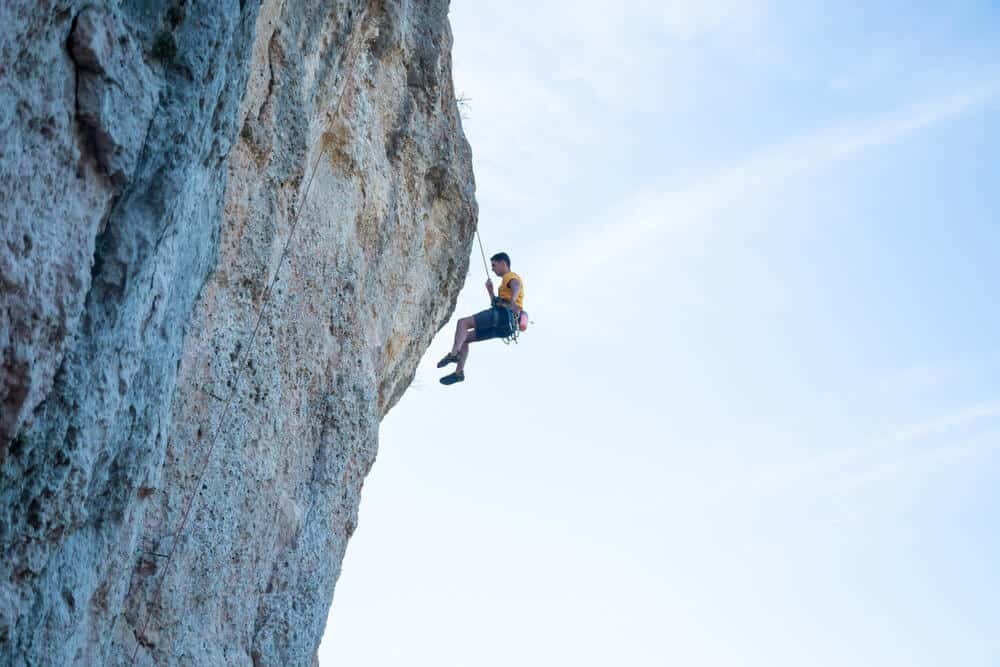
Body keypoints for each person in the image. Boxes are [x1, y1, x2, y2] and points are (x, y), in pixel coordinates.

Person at [438, 252, 524, 385]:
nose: (493, 269)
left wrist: (513, 300)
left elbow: (516, 285)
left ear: (503, 263)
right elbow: (496, 302)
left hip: (502, 316)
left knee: (462, 323)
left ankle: (454, 354)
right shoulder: (504, 286)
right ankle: (458, 373)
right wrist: (490, 292)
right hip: (505, 328)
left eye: (494, 265)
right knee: (464, 338)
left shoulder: (510, 276)